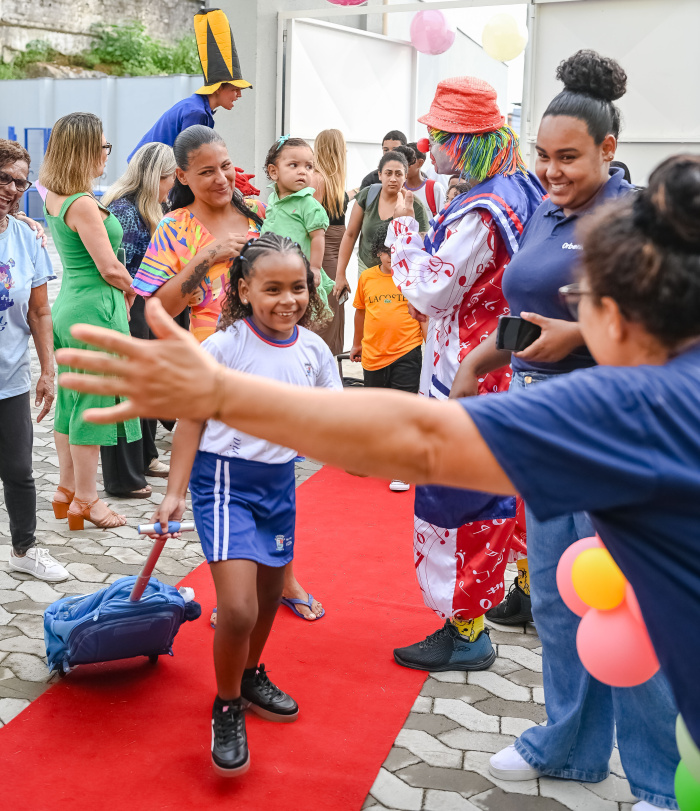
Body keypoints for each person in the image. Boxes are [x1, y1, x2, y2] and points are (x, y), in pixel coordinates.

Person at [58, 153, 700, 757]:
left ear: (616, 315)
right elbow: (407, 434)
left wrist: (221, 395)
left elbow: (418, 437)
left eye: (576, 303)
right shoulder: (639, 399)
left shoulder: (622, 409)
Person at [449, 51, 677, 810]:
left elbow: (669, 330)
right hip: (543, 417)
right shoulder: (547, 208)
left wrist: (578, 335)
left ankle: (657, 781)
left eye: (569, 157)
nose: (551, 170)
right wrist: (477, 363)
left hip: (613, 423)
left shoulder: (641, 220)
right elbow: (527, 308)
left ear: (610, 150)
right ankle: (570, 746)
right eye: (542, 155)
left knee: (625, 604)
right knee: (553, 594)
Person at [153, 233, 341, 775]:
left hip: (279, 485)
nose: (288, 300)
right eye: (272, 289)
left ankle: (252, 673)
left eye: (298, 287)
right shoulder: (224, 347)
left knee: (267, 597)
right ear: (244, 290)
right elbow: (191, 420)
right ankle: (228, 704)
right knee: (237, 609)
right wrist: (174, 493)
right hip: (224, 482)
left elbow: (336, 419)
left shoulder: (314, 351)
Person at [387, 76, 544, 672]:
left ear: (466, 141)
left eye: (438, 135)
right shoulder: (519, 186)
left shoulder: (484, 208)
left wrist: (403, 234)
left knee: (463, 502)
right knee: (510, 493)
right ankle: (525, 592)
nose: (429, 147)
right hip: (509, 363)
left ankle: (466, 630)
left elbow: (432, 288)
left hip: (469, 370)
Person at [41, 113, 140, 530]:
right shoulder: (81, 203)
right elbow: (110, 267)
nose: (106, 154)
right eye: (103, 146)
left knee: (73, 400)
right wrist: (133, 289)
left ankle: (66, 490)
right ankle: (87, 498)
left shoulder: (56, 196)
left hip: (72, 304)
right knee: (92, 405)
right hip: (95, 308)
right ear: (83, 150)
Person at [0, 139, 68, 581]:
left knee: (19, 470)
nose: (12, 189)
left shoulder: (27, 238)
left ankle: (24, 550)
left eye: (20, 182)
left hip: (10, 377)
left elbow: (40, 312)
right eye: (3, 178)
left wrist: (48, 370)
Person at [132, 125, 265, 343]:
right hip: (211, 357)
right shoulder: (175, 227)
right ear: (182, 176)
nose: (221, 179)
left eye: (225, 166)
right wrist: (208, 255)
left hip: (269, 349)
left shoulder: (259, 213)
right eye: (207, 172)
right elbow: (159, 309)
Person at [100, 142, 177, 493]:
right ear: (156, 177)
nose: (172, 187)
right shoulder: (125, 210)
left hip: (146, 305)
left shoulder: (147, 206)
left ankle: (146, 457)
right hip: (129, 306)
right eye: (170, 179)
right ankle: (126, 474)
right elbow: (121, 269)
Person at [351, 224, 423, 492]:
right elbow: (360, 311)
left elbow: (425, 315)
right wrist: (356, 343)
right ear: (378, 252)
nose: (392, 257)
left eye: (397, 251)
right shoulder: (367, 278)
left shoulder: (412, 277)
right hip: (373, 354)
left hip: (407, 350)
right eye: (387, 251)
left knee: (403, 412)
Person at [129, 9, 250, 163]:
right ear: (218, 88)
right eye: (235, 89)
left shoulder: (197, 108)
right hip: (148, 171)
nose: (239, 95)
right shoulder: (196, 113)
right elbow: (189, 161)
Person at [333, 150, 430, 298]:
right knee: (368, 309)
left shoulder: (414, 205)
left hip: (399, 275)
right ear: (380, 175)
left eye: (398, 174)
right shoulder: (367, 196)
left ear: (405, 176)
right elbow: (350, 235)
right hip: (366, 269)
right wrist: (340, 274)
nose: (393, 178)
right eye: (388, 173)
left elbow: (423, 247)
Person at [260, 137, 334, 314]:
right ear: (274, 172)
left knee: (299, 317)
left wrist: (315, 267)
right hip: (274, 270)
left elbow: (317, 237)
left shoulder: (308, 204)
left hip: (300, 274)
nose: (303, 172)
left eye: (309, 167)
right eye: (294, 165)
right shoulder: (273, 199)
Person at [311, 128, 351, 355]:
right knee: (325, 308)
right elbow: (311, 219)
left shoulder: (330, 180)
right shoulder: (317, 179)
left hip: (335, 250)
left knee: (335, 305)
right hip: (325, 250)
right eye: (343, 147)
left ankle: (328, 360)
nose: (346, 151)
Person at [406, 141, 445, 216]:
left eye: (408, 161)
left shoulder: (435, 188)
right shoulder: (397, 188)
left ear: (420, 163)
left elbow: (442, 218)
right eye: (401, 161)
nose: (403, 166)